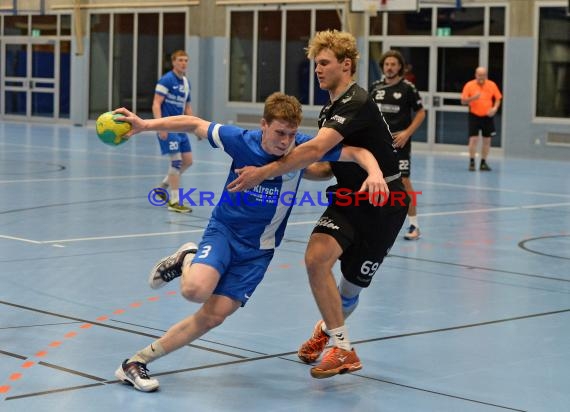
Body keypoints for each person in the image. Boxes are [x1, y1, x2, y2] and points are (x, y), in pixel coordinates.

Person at [112, 92, 388, 392]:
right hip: (225, 233)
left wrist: (375, 173)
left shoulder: (303, 148)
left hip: (258, 252)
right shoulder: (241, 140)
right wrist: (144, 124)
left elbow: (357, 152)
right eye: (279, 133)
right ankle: (187, 257)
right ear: (263, 125)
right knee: (194, 290)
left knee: (213, 317)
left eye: (291, 134)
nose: (285, 141)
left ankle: (135, 362)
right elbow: (193, 123)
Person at [227, 30, 410, 379]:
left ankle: (325, 331)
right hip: (348, 198)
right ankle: (343, 348)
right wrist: (283, 169)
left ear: (346, 64)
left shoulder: (356, 101)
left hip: (385, 203)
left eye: (324, 63)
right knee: (316, 259)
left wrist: (264, 171)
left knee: (350, 289)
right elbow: (325, 166)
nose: (318, 70)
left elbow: (312, 150)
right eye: (316, 64)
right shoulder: (331, 109)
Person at [369, 50, 426, 240]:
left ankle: (414, 225)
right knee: (375, 179)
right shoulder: (375, 87)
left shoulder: (408, 88)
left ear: (399, 67)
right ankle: (373, 223)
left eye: (393, 64)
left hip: (399, 144)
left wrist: (406, 133)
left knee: (403, 182)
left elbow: (420, 113)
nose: (390, 67)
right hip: (377, 144)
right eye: (386, 64)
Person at [153, 50, 194, 213]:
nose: (183, 63)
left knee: (188, 161)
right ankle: (174, 202)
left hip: (181, 127)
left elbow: (187, 107)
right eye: (180, 60)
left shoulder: (185, 83)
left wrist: (195, 127)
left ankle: (162, 187)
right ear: (173, 62)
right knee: (176, 162)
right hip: (168, 126)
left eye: (186, 60)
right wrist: (160, 126)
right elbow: (156, 104)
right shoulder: (166, 80)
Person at [460, 66, 502, 172]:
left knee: (487, 140)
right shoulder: (469, 85)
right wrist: (472, 98)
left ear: (486, 75)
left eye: (483, 75)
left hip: (487, 116)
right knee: (473, 139)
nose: (481, 77)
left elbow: (498, 98)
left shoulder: (492, 85)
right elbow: (463, 101)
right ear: (475, 75)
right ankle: (472, 162)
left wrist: (495, 108)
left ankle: (483, 162)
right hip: (474, 115)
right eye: (479, 75)